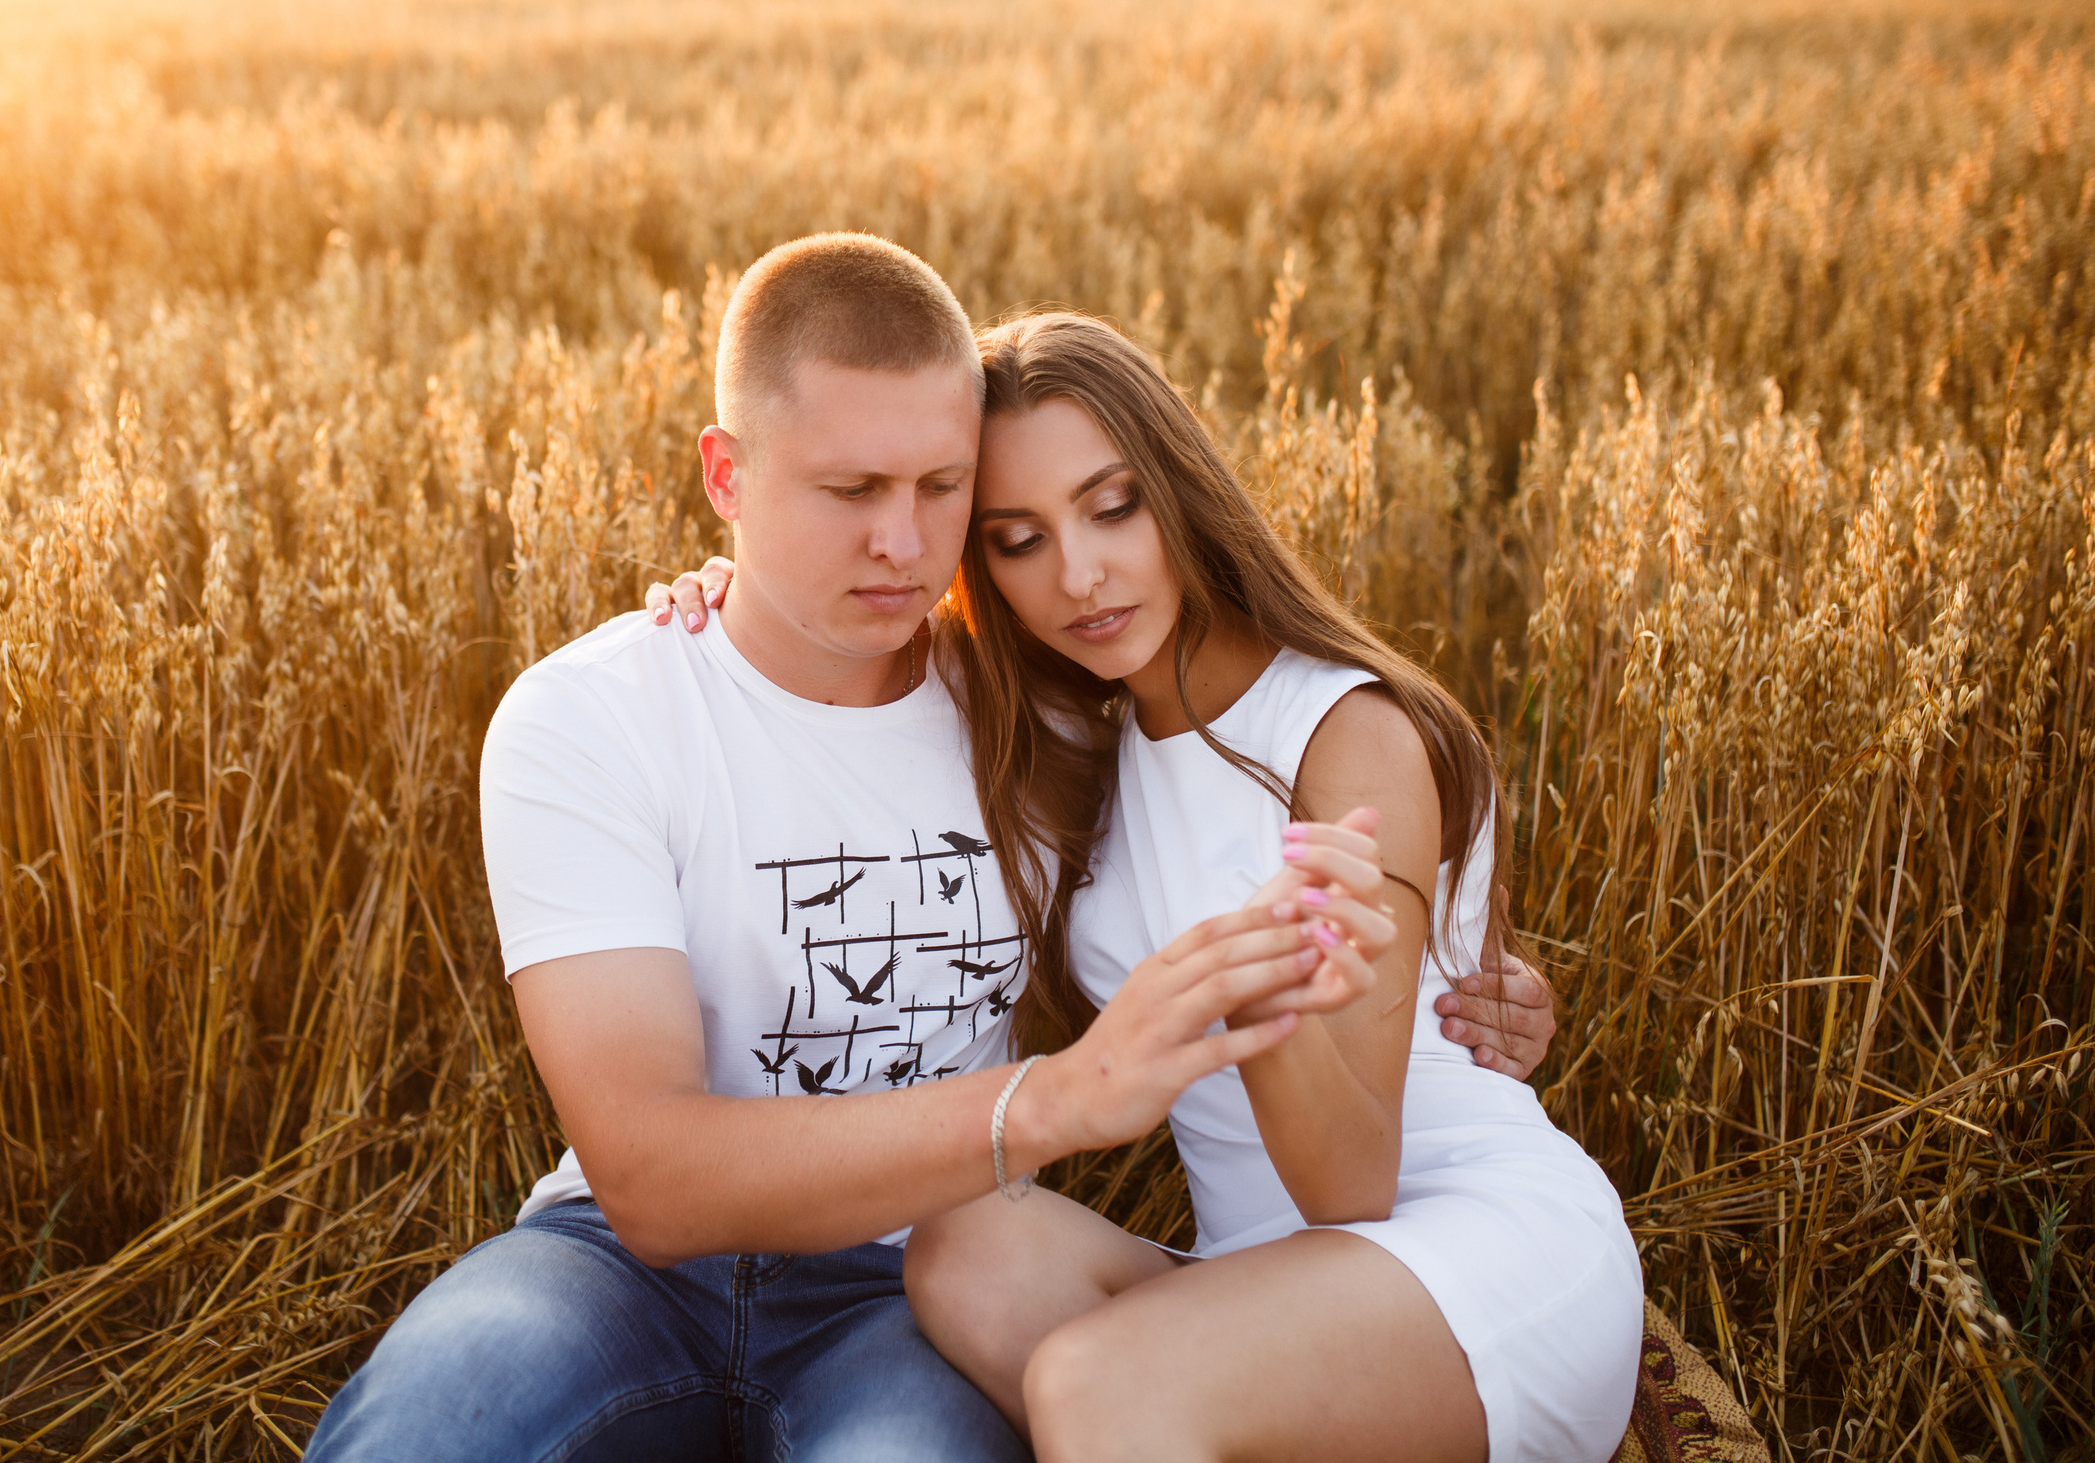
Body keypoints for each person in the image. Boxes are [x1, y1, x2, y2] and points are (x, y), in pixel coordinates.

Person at [304, 236, 1555, 1462]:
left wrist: (1471, 981)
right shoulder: (589, 716)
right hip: (613, 1270)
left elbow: (1243, 805)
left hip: (915, 1289)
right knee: (424, 1431)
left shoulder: (1054, 712)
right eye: (847, 492)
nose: (902, 546)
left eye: (942, 490)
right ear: (725, 477)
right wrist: (1053, 1099)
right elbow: (650, 1176)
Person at [656, 311, 1640, 1462]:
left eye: (1112, 507)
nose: (1078, 575)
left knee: (1096, 1383)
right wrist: (747, 593)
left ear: (1178, 490)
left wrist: (1256, 990)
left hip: (1456, 1240)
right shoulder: (1078, 736)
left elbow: (1349, 1184)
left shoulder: (1341, 731)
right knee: (961, 1248)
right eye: (1016, 539)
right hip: (1260, 1278)